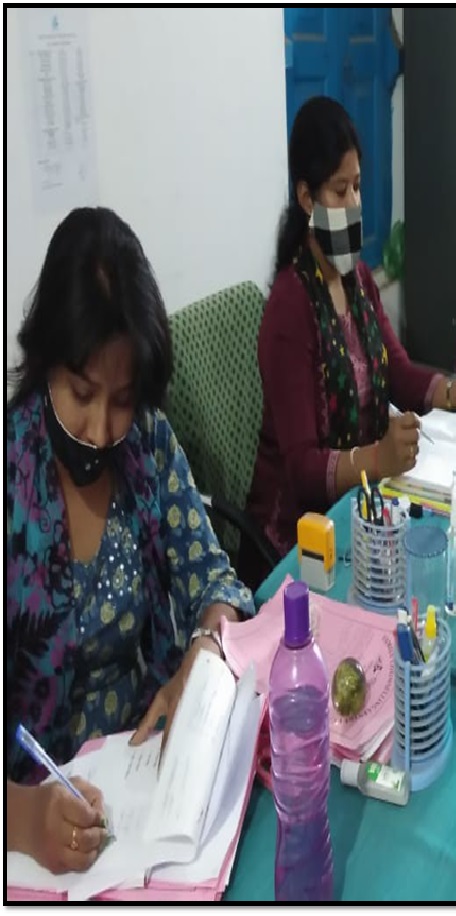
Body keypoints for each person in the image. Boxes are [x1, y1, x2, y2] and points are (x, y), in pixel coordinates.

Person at [5, 207, 255, 875]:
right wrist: (21, 820)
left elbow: (214, 576)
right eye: (82, 393)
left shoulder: (145, 442)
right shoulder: (10, 478)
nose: (101, 428)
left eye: (121, 399)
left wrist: (205, 648)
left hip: (154, 788)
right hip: (41, 827)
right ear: (45, 360)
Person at [241, 96, 456, 584]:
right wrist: (377, 459)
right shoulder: (290, 308)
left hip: (362, 508)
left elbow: (397, 374)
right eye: (340, 190)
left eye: (358, 187)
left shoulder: (359, 280)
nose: (354, 204)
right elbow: (301, 469)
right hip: (298, 541)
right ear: (307, 198)